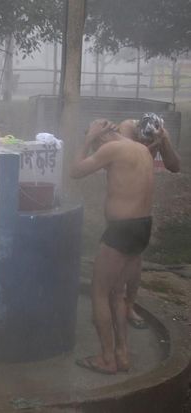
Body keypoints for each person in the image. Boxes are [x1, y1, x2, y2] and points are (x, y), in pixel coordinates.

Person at [71, 119, 154, 375]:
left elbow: (75, 171)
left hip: (122, 230)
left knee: (99, 292)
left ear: (103, 136)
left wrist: (86, 140)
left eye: (96, 141)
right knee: (117, 293)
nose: (95, 146)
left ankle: (106, 358)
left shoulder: (111, 148)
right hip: (142, 226)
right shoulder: (140, 149)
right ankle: (122, 353)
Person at [118, 113, 181, 330]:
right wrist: (150, 145)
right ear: (137, 131)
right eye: (142, 139)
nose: (146, 143)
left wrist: (164, 142)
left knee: (135, 258)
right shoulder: (126, 128)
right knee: (116, 255)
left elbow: (174, 166)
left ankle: (129, 305)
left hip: (142, 199)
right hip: (120, 196)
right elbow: (127, 159)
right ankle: (111, 304)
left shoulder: (160, 135)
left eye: (148, 140)